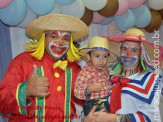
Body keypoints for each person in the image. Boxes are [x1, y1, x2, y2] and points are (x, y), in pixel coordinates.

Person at [0, 14, 88, 122]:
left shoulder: (74, 68)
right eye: (54, 36)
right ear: (44, 38)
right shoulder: (23, 61)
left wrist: (90, 91)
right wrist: (25, 91)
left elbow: (80, 99)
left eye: (65, 38)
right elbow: (2, 102)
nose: (60, 42)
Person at [84, 28, 162, 122]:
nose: (128, 54)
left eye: (134, 50)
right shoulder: (107, 79)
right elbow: (92, 105)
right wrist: (86, 118)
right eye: (124, 49)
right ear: (119, 52)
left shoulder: (151, 80)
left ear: (142, 54)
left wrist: (113, 118)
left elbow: (150, 116)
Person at [74, 36, 117, 116]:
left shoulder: (106, 69)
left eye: (105, 56)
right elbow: (76, 91)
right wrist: (89, 90)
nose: (101, 60)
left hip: (106, 102)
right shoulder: (85, 73)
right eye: (97, 56)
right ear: (88, 56)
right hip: (92, 105)